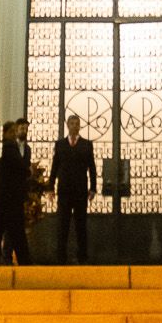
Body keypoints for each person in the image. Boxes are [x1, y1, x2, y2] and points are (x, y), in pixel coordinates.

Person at [49, 111, 97, 263]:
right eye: (72, 124)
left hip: (80, 190)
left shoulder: (86, 145)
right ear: (67, 125)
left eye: (77, 124)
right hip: (64, 190)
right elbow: (54, 167)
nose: (74, 126)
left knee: (80, 225)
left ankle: (82, 257)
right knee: (62, 225)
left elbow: (92, 168)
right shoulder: (60, 144)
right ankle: (61, 258)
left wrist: (93, 188)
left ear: (80, 126)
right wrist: (50, 187)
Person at [0, 118, 31, 267]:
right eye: (11, 131)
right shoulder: (9, 147)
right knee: (15, 230)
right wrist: (28, 170)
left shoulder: (18, 147)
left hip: (10, 195)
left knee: (10, 230)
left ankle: (8, 258)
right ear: (5, 133)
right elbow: (22, 166)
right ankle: (23, 260)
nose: (14, 134)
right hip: (11, 196)